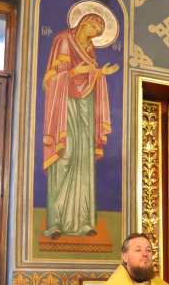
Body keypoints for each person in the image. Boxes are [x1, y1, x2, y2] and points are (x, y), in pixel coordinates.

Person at [42, 12, 118, 239]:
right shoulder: (64, 39)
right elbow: (52, 79)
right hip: (65, 108)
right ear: (84, 22)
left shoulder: (90, 50)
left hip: (85, 108)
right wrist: (75, 72)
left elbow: (90, 77)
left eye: (98, 32)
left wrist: (100, 73)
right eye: (93, 27)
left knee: (83, 161)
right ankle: (55, 222)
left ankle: (83, 221)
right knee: (65, 156)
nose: (94, 33)